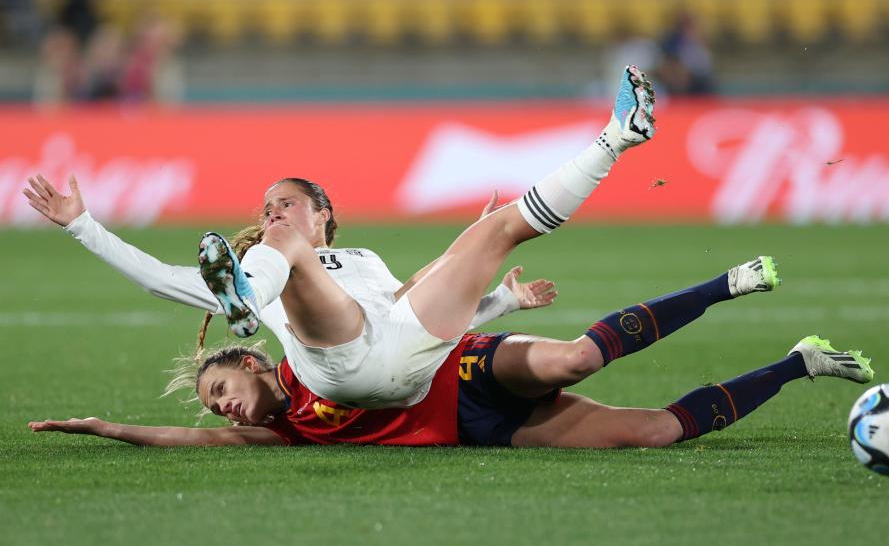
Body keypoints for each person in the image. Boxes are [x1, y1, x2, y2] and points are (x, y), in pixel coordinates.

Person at [24, 66, 657, 411]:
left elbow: (407, 296)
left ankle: (619, 135)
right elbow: (160, 278)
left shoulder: (361, 257)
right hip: (337, 366)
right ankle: (238, 305)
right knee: (280, 257)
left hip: (406, 359)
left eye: (287, 204)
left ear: (323, 210)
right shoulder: (267, 256)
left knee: (497, 229)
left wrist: (498, 301)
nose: (272, 213)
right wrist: (83, 225)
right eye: (266, 207)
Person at [28, 262, 875, 448]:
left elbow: (404, 317)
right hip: (477, 432)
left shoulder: (309, 356)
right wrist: (102, 426)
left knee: (575, 361)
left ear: (251, 364)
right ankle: (801, 363)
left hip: (460, 367)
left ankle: (727, 283)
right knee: (653, 434)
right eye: (214, 403)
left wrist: (496, 301)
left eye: (219, 386)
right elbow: (191, 440)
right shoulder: (279, 433)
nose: (218, 406)